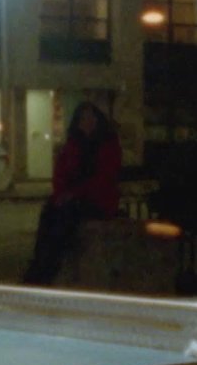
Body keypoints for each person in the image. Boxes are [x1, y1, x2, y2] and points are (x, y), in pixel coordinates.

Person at [22, 101, 122, 285]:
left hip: (97, 200)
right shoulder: (73, 144)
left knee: (65, 218)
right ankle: (39, 264)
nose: (88, 122)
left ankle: (47, 269)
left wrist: (74, 194)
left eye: (91, 117)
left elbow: (104, 178)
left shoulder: (108, 144)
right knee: (49, 212)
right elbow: (60, 174)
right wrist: (61, 195)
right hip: (73, 198)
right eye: (83, 118)